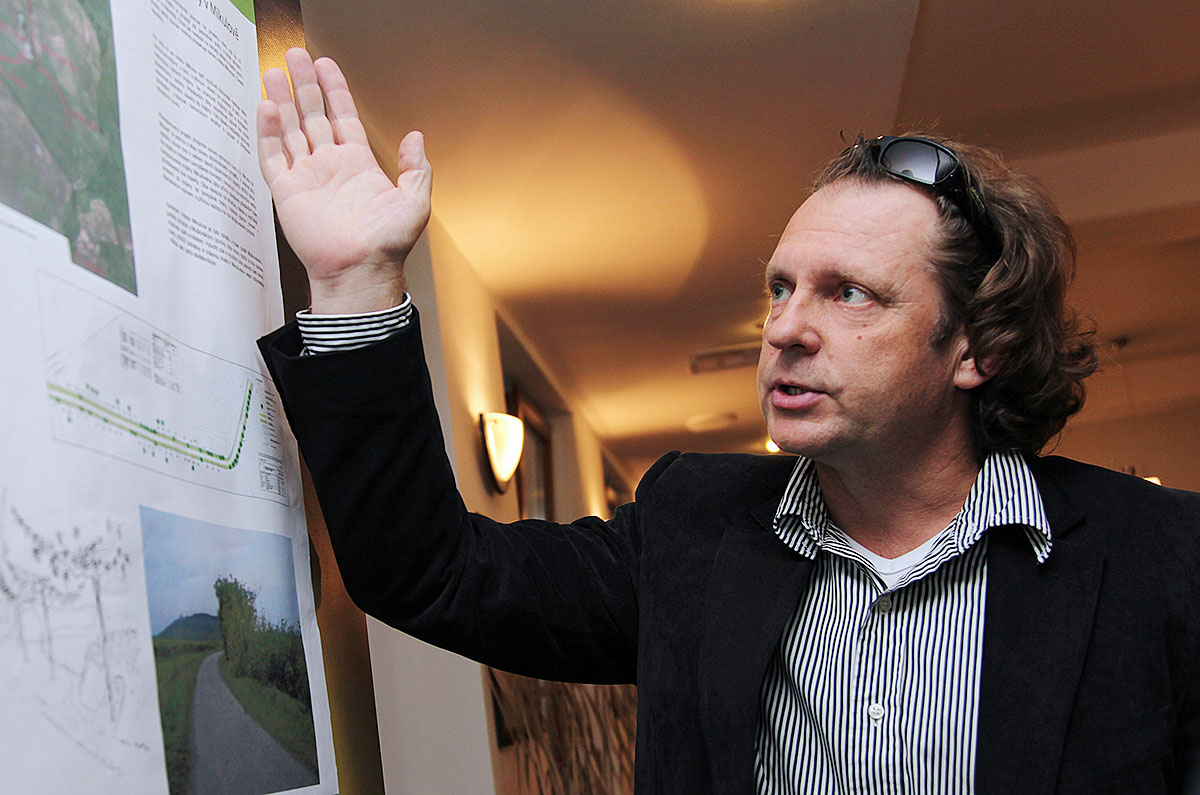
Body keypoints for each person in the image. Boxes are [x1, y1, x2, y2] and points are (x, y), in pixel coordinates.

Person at [256, 48, 1200, 794]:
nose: (785, 328)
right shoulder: (694, 532)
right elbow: (427, 572)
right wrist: (353, 280)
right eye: (781, 288)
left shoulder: (1163, 557)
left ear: (975, 348)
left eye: (851, 293)